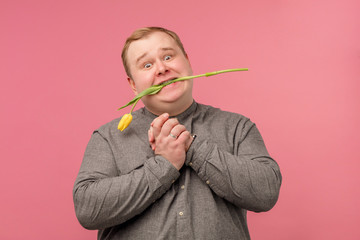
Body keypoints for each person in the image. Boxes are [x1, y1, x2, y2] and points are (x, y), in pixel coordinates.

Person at [73, 26, 282, 240]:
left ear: (188, 62)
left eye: (168, 56)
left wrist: (191, 147)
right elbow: (87, 209)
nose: (162, 68)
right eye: (147, 65)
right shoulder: (108, 137)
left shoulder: (238, 127)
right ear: (134, 85)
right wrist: (163, 165)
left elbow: (266, 192)